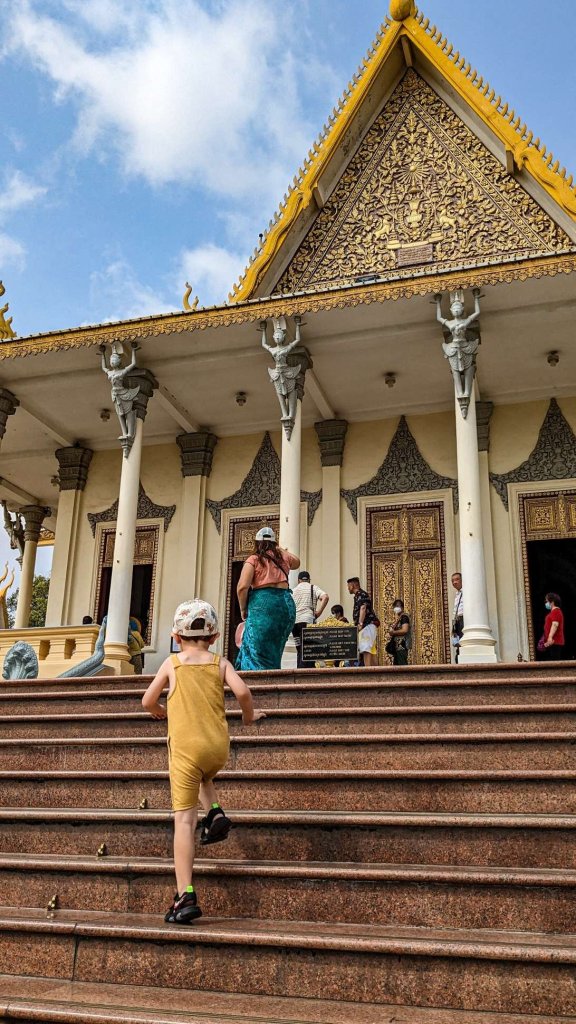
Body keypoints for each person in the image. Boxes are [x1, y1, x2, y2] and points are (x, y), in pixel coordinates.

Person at [142, 599, 265, 925]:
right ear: (214, 637)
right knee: (202, 775)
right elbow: (244, 693)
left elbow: (147, 700)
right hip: (217, 749)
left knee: (184, 821)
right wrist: (249, 718)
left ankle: (185, 895)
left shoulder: (172, 664)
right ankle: (215, 812)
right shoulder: (219, 663)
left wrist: (159, 711)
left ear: (176, 637)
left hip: (186, 751)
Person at [236, 526, 300, 670]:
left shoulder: (254, 559)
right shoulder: (284, 558)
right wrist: (280, 549)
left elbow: (242, 587)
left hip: (263, 605)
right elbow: (297, 562)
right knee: (274, 649)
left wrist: (243, 608)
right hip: (285, 604)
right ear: (274, 543)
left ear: (257, 543)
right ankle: (273, 675)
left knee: (257, 650)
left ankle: (257, 680)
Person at [292, 570, 329, 667]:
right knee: (308, 649)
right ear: (309, 580)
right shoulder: (313, 587)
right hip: (307, 621)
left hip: (295, 623)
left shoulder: (293, 591)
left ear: (299, 580)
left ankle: (299, 670)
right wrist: (319, 612)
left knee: (299, 649)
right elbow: (325, 597)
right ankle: (307, 672)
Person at [347, 577, 379, 667]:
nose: (348, 588)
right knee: (371, 650)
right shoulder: (358, 595)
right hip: (368, 625)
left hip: (367, 624)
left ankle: (367, 670)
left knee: (366, 648)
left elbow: (363, 608)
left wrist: (360, 623)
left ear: (352, 585)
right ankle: (377, 671)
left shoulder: (362, 594)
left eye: (348, 586)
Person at [539, 592, 565, 661]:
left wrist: (550, 637)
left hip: (554, 641)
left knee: (554, 662)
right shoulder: (554, 612)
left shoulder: (556, 611)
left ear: (552, 602)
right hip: (552, 642)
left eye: (546, 601)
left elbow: (555, 625)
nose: (545, 603)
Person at [386, 598, 411, 666]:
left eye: (397, 606)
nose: (396, 608)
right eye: (394, 606)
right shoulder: (400, 618)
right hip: (397, 646)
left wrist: (393, 632)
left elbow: (405, 630)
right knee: (397, 667)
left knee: (402, 666)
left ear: (402, 607)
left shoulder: (404, 617)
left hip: (402, 646)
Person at [451, 572, 464, 663]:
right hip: (458, 620)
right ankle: (458, 656)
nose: (454, 582)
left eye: (457, 579)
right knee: (458, 640)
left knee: (463, 640)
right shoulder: (458, 594)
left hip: (464, 619)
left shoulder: (466, 591)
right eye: (452, 581)